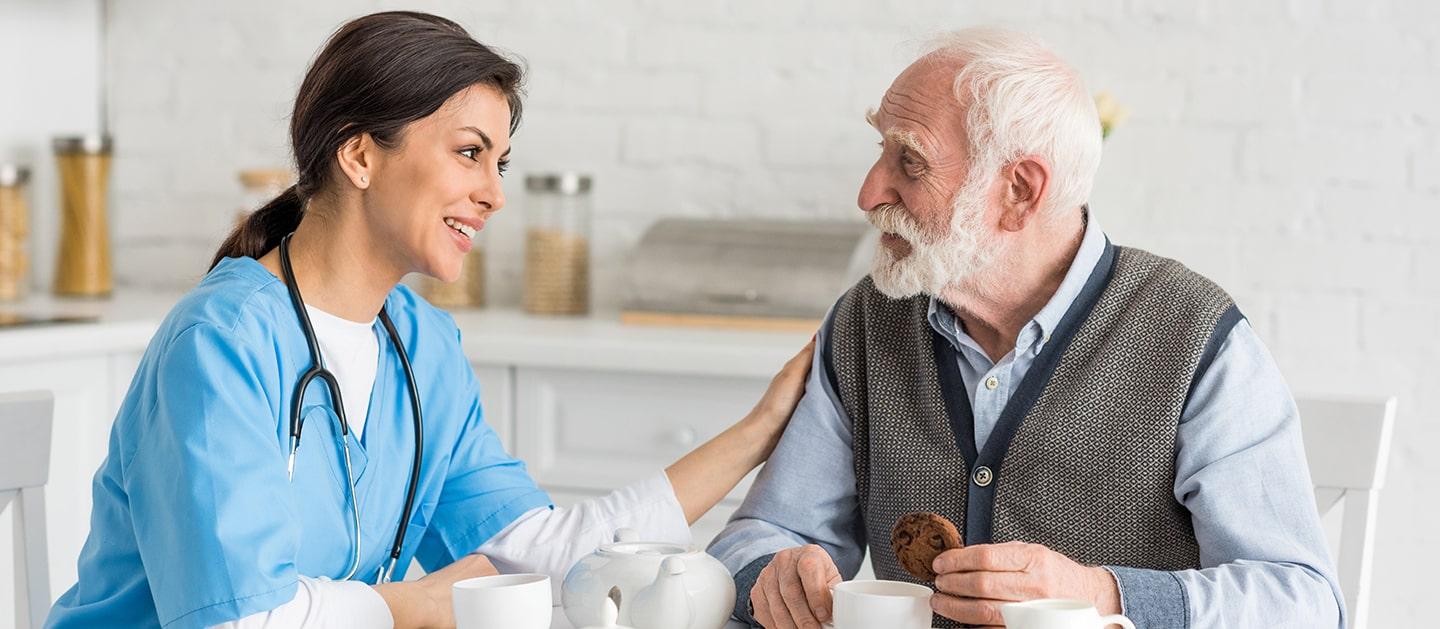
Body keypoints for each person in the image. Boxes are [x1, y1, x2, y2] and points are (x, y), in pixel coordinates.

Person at [46, 12, 812, 629]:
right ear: (359, 154)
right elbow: (237, 618)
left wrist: (761, 427)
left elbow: (538, 553)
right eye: (469, 153)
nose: (493, 193)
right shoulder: (220, 344)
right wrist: (404, 607)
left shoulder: (420, 344)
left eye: (499, 163)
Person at [707, 28, 1344, 629]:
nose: (870, 192)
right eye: (881, 151)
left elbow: (1303, 600)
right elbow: (760, 535)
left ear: (1019, 188)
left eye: (911, 162)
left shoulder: (1196, 338)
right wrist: (776, 572)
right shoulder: (866, 323)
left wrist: (1102, 596)